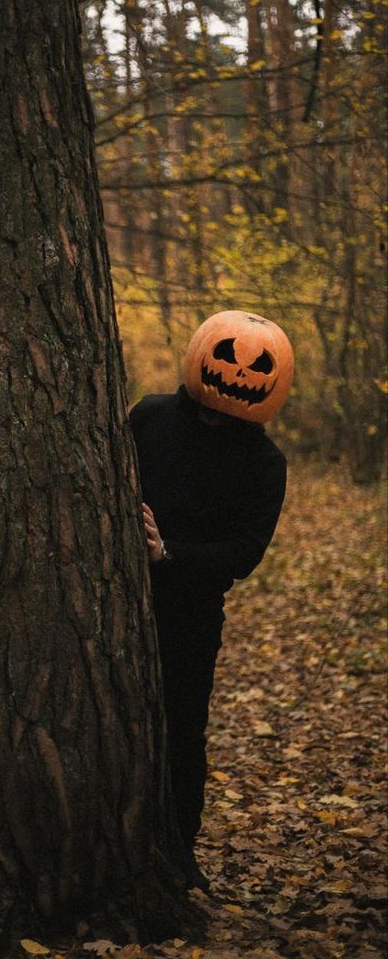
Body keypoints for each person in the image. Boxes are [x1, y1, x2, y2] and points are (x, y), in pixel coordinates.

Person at [129, 310, 294, 892]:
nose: (239, 371)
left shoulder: (264, 463)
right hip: (116, 603)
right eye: (227, 354)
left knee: (182, 733)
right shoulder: (149, 416)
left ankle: (178, 854)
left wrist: (168, 553)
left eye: (259, 365)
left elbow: (244, 553)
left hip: (191, 611)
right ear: (203, 354)